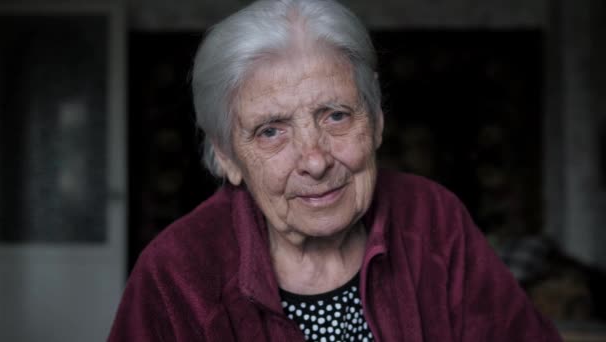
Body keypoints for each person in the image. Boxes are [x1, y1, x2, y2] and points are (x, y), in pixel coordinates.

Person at [108, 0, 562, 341]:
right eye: (271, 131)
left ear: (377, 122)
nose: (316, 159)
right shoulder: (177, 272)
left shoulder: (433, 220)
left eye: (336, 116)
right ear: (226, 158)